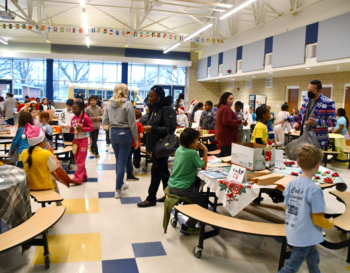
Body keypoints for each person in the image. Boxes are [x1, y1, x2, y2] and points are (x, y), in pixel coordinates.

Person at [279, 144, 334, 273]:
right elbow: (318, 219)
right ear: (318, 165)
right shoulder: (314, 189)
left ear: (297, 162)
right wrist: (330, 224)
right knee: (291, 267)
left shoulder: (291, 183)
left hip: (295, 230)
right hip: (304, 235)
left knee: (313, 258)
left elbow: (284, 206)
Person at [137, 85, 176, 208]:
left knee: (156, 172)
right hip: (155, 145)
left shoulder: (167, 109)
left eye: (151, 96)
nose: (148, 98)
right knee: (163, 171)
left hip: (162, 146)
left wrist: (152, 128)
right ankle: (169, 195)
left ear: (159, 97)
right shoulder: (154, 108)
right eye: (148, 95)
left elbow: (170, 128)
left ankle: (151, 198)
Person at [168, 128, 208, 235]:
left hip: (172, 184)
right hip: (183, 187)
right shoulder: (192, 153)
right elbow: (204, 166)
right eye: (196, 141)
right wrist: (205, 150)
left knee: (196, 193)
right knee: (202, 203)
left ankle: (191, 216)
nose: (198, 143)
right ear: (190, 143)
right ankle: (188, 226)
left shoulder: (179, 149)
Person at [276, 80, 337, 148]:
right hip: (304, 136)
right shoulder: (306, 100)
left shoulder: (328, 102)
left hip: (317, 139)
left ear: (319, 91)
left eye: (312, 91)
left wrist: (315, 122)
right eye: (309, 90)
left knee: (314, 158)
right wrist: (285, 119)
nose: (309, 92)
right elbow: (299, 116)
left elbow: (333, 122)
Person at [102, 84, 139, 198]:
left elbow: (105, 121)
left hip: (113, 134)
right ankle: (117, 190)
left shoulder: (109, 104)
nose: (128, 92)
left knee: (119, 161)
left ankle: (121, 184)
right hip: (125, 134)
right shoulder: (127, 104)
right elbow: (132, 124)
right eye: (127, 90)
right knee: (122, 162)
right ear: (123, 91)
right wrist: (136, 139)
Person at [21, 124, 61, 204]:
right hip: (45, 186)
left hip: (29, 186)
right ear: (42, 141)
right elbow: (53, 169)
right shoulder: (46, 154)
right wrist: (50, 153)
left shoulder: (24, 152)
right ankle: (58, 202)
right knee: (54, 179)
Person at [70, 99, 94, 185]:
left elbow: (91, 128)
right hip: (75, 140)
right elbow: (71, 131)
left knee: (80, 160)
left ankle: (77, 178)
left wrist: (82, 129)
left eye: (75, 108)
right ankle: (83, 175)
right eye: (73, 108)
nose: (73, 110)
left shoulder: (85, 117)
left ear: (81, 108)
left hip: (83, 140)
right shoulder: (73, 118)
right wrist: (71, 129)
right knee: (77, 160)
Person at [215, 92, 247, 157]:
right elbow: (227, 121)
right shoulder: (226, 108)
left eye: (233, 99)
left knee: (223, 153)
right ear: (225, 99)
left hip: (221, 133)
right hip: (227, 135)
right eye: (230, 99)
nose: (232, 101)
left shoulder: (220, 107)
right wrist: (239, 121)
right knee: (228, 156)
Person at [127, 110, 145, 176]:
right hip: (137, 144)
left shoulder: (129, 124)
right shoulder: (140, 124)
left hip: (129, 143)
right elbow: (141, 135)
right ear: (140, 117)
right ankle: (137, 167)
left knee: (128, 156)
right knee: (137, 156)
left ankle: (128, 168)